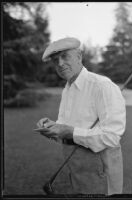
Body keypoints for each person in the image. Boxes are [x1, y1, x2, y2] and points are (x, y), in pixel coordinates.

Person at [36, 37, 126, 196]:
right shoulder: (68, 88)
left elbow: (112, 136)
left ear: (79, 57)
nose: (60, 64)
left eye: (65, 57)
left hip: (99, 165)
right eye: (55, 60)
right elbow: (67, 125)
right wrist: (53, 127)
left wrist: (69, 132)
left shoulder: (102, 86)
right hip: (75, 164)